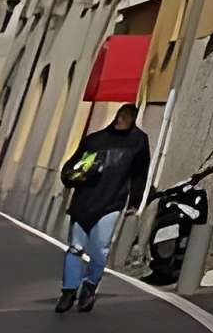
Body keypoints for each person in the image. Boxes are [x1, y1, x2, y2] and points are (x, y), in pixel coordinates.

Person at [56, 102, 150, 311]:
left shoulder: (138, 141)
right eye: (120, 117)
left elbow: (140, 173)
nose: (121, 121)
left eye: (126, 118)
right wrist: (77, 175)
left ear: (132, 120)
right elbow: (71, 168)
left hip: (112, 202)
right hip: (83, 201)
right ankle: (68, 291)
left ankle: (89, 287)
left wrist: (135, 200)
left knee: (99, 249)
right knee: (75, 248)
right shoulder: (94, 140)